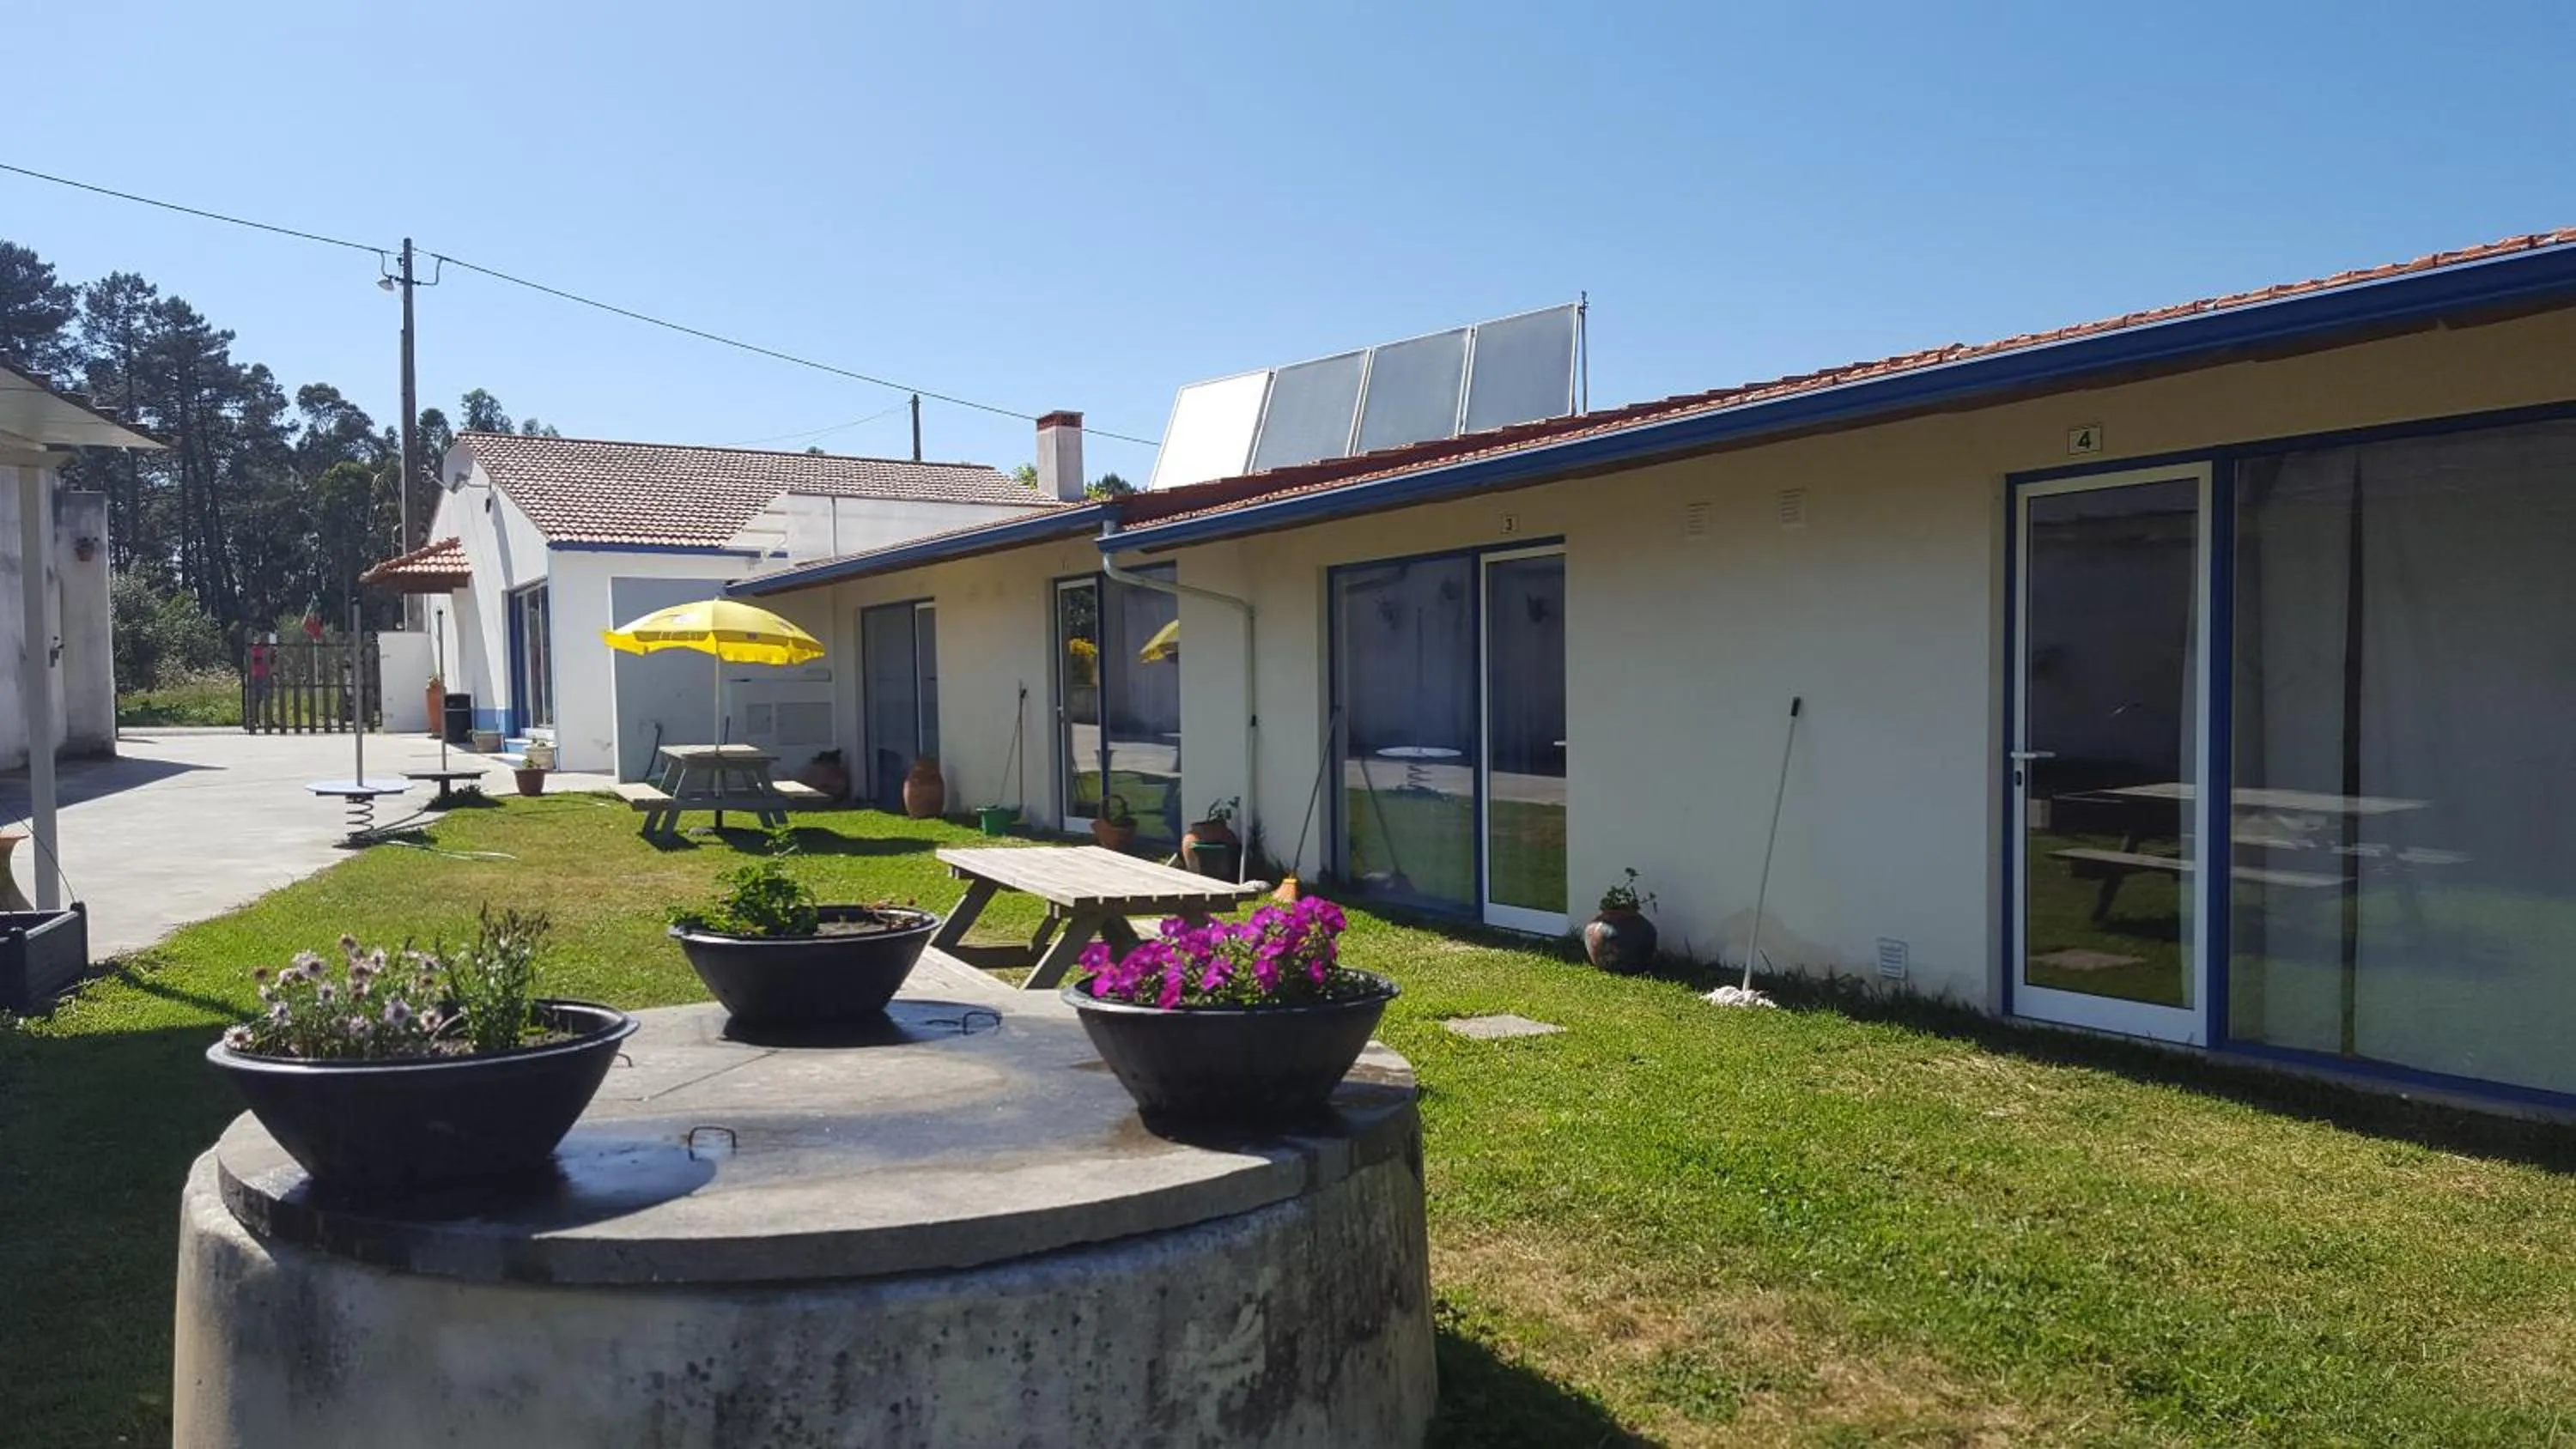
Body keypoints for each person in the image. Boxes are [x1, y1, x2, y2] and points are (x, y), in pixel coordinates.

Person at [248, 634, 276, 724]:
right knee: (257, 699)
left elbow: (274, 661)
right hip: (257, 676)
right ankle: (255, 720)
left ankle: (270, 720)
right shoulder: (254, 648)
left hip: (267, 675)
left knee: (269, 698)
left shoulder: (271, 649)